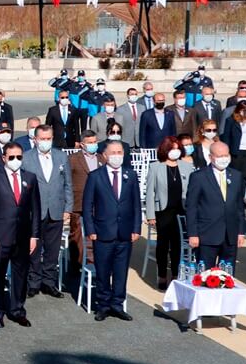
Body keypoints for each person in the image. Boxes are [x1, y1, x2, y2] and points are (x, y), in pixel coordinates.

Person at [0, 143, 39, 326]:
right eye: (12, 157)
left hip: (22, 236)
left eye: (19, 157)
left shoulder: (30, 178)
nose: (16, 161)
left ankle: (17, 310)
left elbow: (35, 210)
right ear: (4, 158)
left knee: (20, 274)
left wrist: (34, 236)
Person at [82, 141, 141, 322]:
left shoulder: (130, 175)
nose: (117, 155)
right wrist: (90, 229)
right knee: (103, 270)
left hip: (124, 232)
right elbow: (87, 206)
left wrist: (136, 228)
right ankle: (103, 305)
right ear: (105, 156)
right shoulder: (95, 176)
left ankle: (117, 304)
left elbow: (136, 204)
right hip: (102, 232)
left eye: (120, 152)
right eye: (113, 152)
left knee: (121, 271)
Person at [21, 125, 72, 300]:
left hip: (56, 210)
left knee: (53, 249)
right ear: (35, 139)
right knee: (34, 249)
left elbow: (67, 184)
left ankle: (49, 282)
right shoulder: (26, 158)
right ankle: (33, 282)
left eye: (48, 138)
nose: (45, 142)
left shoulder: (61, 156)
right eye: (42, 139)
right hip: (34, 212)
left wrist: (68, 208)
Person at [185, 142, 246, 268]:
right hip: (207, 234)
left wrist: (240, 232)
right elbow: (191, 207)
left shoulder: (236, 176)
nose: (224, 159)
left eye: (226, 155)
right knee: (205, 275)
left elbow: (239, 206)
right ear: (211, 157)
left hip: (230, 236)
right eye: (220, 156)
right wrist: (192, 234)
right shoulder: (199, 177)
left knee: (227, 276)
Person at [145, 137, 194, 290]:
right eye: (172, 148)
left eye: (178, 148)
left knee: (178, 245)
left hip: (181, 210)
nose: (175, 151)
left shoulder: (186, 166)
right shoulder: (156, 167)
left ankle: (175, 274)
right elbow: (150, 193)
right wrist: (150, 215)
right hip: (163, 211)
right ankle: (161, 274)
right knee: (163, 244)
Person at [68, 131, 104, 278]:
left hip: (98, 203)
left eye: (95, 142)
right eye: (90, 142)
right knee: (76, 233)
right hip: (79, 201)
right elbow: (67, 182)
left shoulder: (102, 158)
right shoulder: (73, 159)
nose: (93, 145)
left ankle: (92, 262)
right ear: (82, 144)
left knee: (95, 234)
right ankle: (76, 264)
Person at [221, 100, 246, 179]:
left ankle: (243, 190)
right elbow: (226, 137)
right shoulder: (231, 121)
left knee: (245, 175)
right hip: (236, 151)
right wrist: (226, 152)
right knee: (235, 174)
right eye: (244, 110)